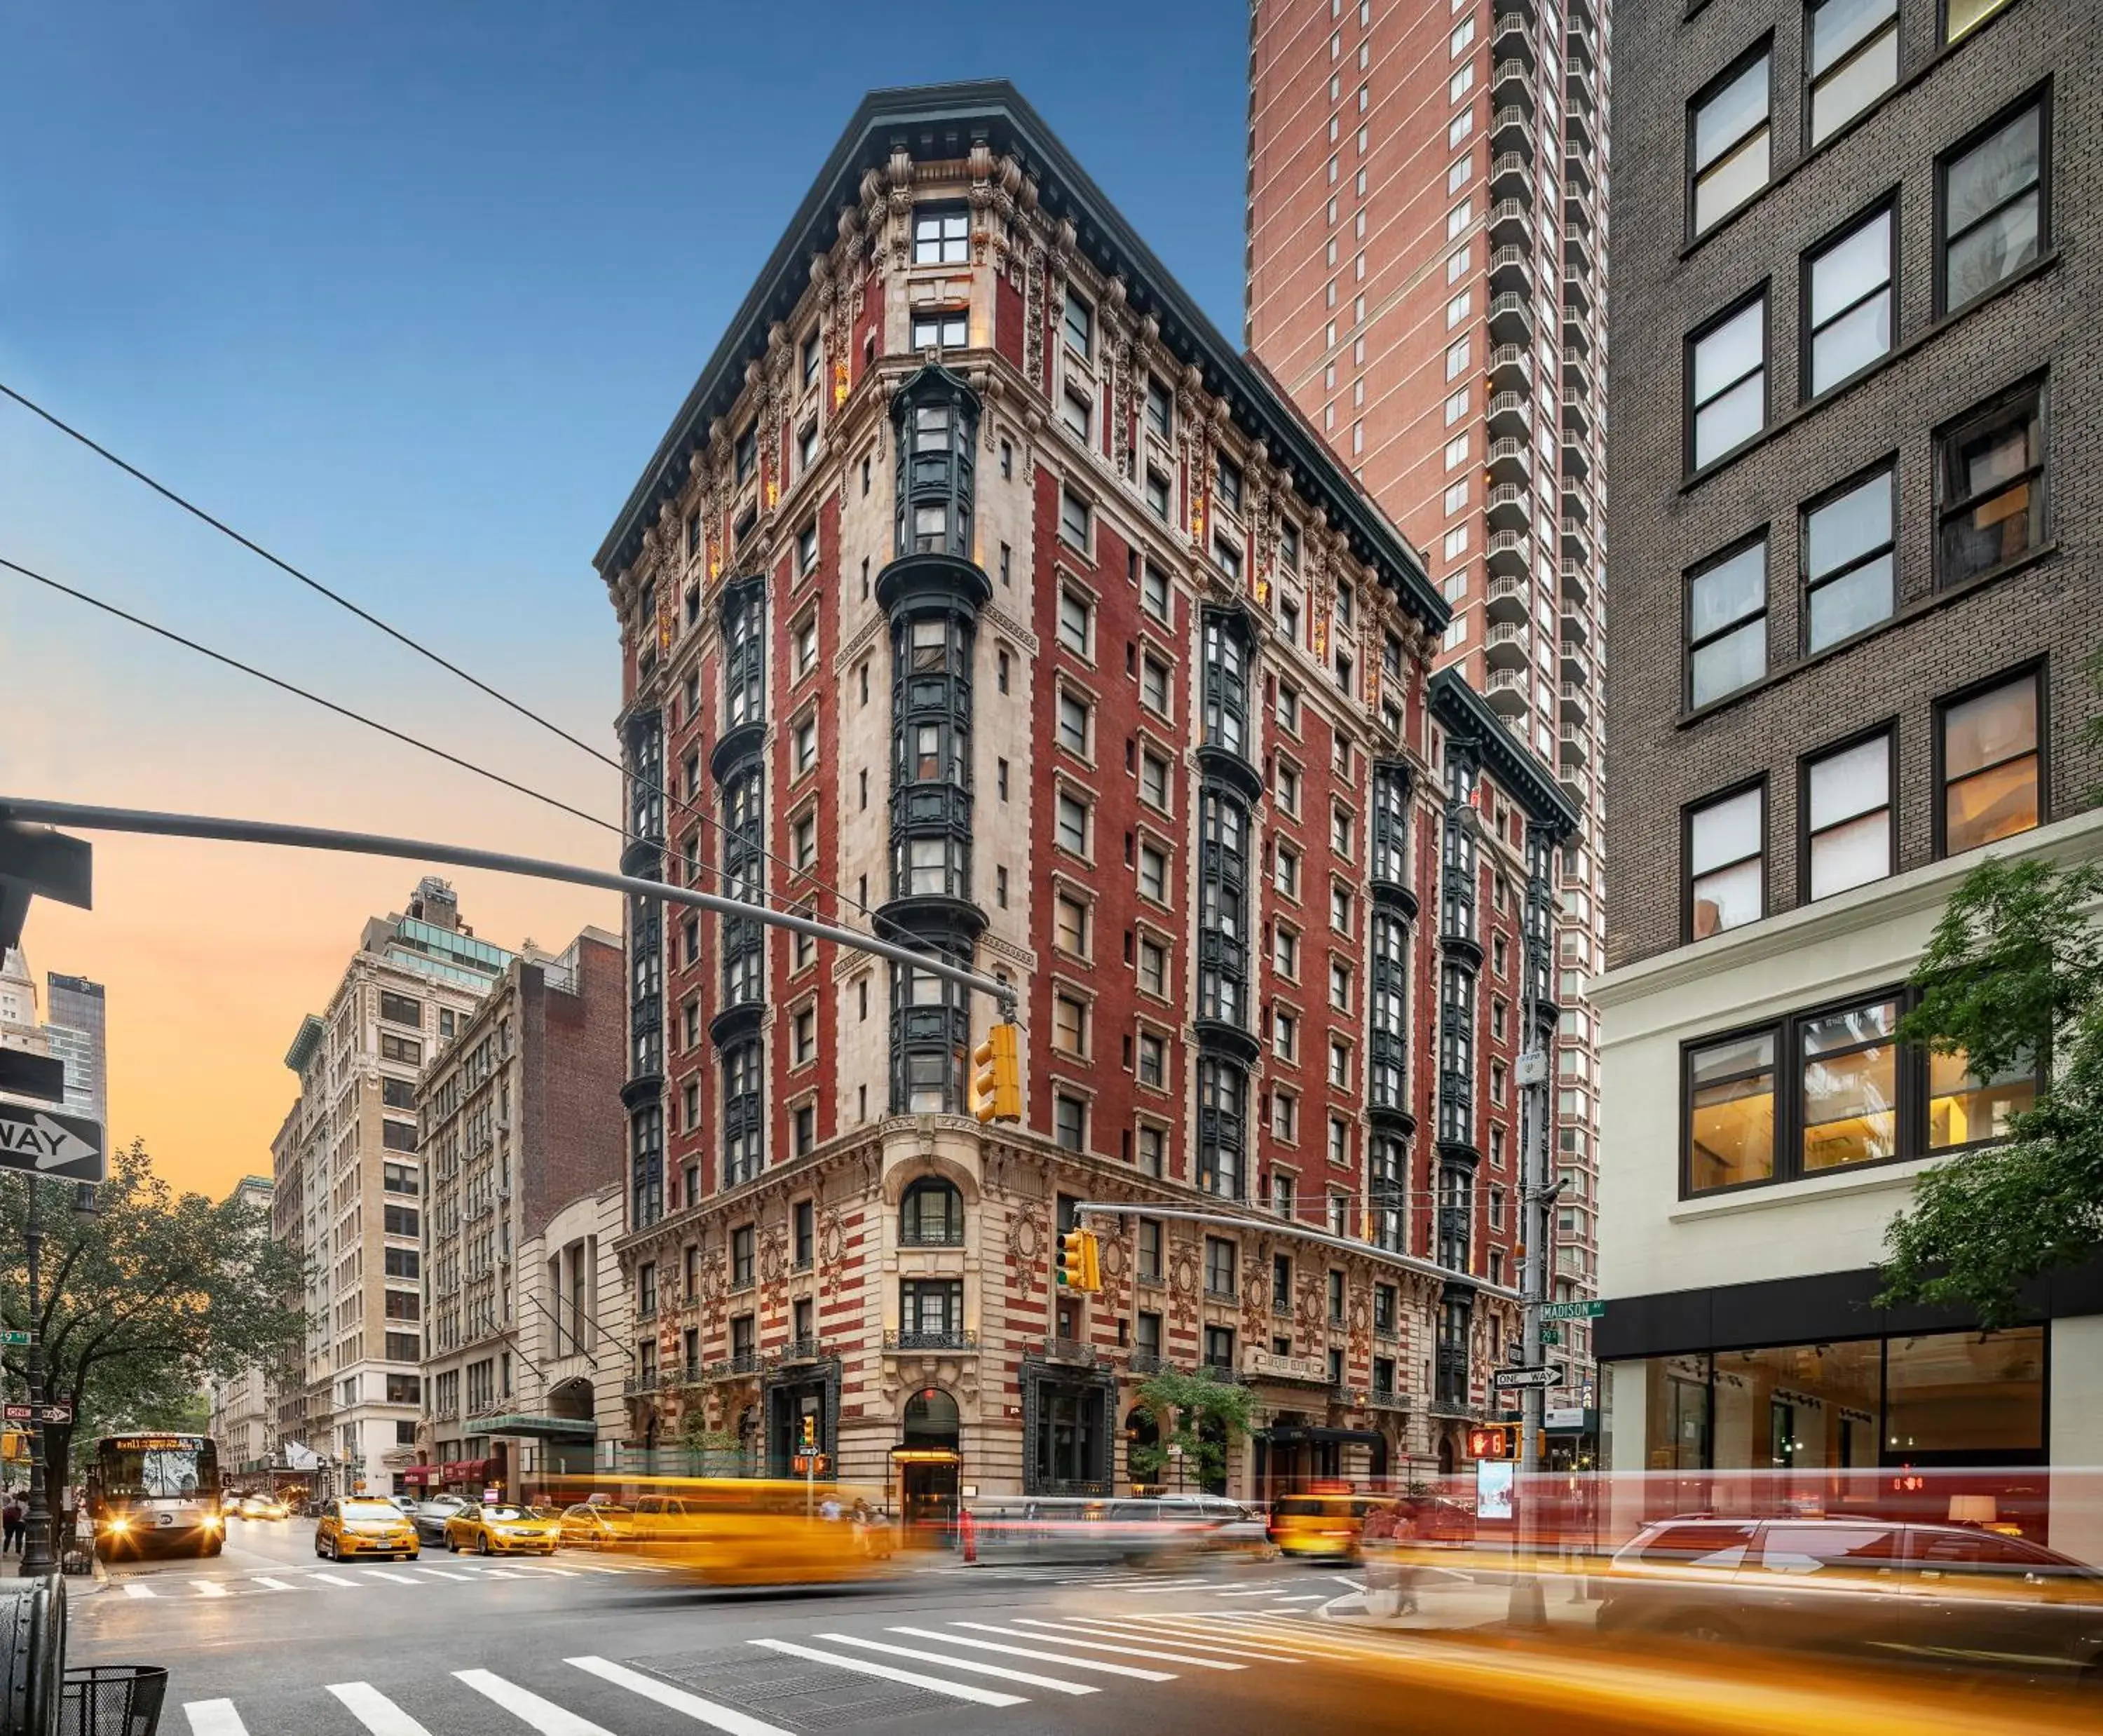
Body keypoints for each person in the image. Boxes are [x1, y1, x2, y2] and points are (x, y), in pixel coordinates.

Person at [2, 1491, 23, 1556]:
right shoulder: (27, 1504)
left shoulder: (14, 1502)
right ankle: (18, 1552)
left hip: (11, 1521)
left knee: (8, 1537)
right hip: (21, 1522)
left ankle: (5, 1551)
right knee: (19, 1538)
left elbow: (6, 1509)